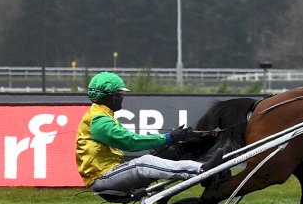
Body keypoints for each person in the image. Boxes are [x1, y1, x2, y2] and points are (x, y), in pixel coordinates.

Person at [75, 71, 223, 194]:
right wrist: (168, 137)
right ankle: (202, 170)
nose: (123, 97)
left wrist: (171, 138)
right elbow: (131, 142)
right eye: (119, 94)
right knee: (145, 163)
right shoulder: (99, 120)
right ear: (108, 96)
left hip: (107, 173)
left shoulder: (101, 115)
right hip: (102, 178)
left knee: (154, 159)